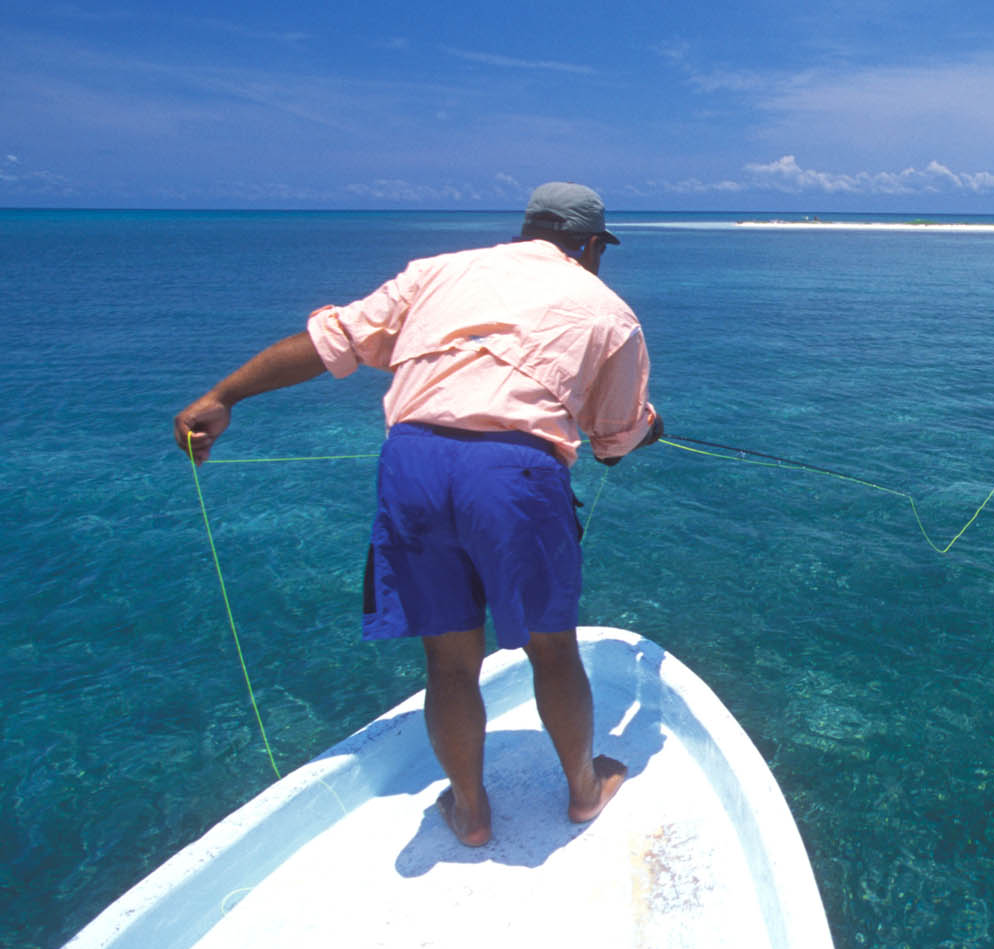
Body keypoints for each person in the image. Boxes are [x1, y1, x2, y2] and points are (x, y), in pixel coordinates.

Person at [172, 181, 662, 847]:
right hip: (514, 477)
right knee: (552, 648)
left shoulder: (437, 272)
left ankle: (471, 810)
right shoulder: (610, 313)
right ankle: (582, 790)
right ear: (591, 244)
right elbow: (612, 443)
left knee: (450, 662)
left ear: (526, 229)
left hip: (413, 465)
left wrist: (223, 395)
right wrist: (647, 430)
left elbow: (326, 343)